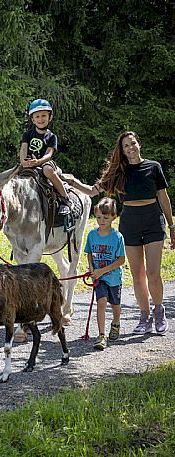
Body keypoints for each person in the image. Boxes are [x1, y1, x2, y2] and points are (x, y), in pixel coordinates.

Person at [66, 131, 175, 335]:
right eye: (126, 146)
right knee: (138, 274)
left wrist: (172, 225)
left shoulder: (154, 167)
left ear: (139, 144)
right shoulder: (118, 172)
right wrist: (72, 182)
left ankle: (159, 312)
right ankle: (144, 316)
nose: (130, 148)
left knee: (153, 273)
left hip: (153, 221)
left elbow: (163, 197)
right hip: (130, 223)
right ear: (122, 150)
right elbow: (91, 191)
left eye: (133, 143)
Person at [84, 197, 125, 350]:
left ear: (113, 217)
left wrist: (102, 270)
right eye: (99, 217)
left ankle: (115, 323)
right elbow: (89, 253)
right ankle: (101, 336)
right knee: (101, 302)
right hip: (99, 278)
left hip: (113, 278)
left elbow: (121, 260)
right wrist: (91, 268)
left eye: (105, 218)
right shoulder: (92, 235)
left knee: (115, 305)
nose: (101, 221)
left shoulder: (117, 237)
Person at [19, 98, 71, 207]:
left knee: (48, 171)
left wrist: (38, 162)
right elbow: (23, 149)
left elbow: (49, 154)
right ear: (32, 119)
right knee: (13, 174)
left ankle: (65, 198)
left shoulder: (51, 136)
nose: (40, 119)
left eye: (43, 116)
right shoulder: (27, 134)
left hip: (44, 162)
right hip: (29, 162)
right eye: (37, 116)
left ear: (50, 117)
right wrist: (24, 162)